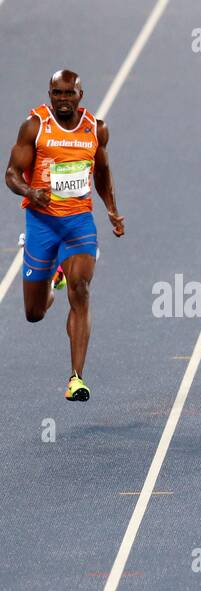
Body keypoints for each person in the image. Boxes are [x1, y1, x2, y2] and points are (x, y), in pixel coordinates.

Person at [5, 69, 124, 401]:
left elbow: (102, 172)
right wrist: (30, 190)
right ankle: (50, 282)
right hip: (41, 225)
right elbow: (11, 173)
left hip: (78, 224)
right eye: (56, 93)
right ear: (50, 94)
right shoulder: (35, 126)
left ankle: (76, 379)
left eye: (68, 93)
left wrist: (112, 210)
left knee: (82, 290)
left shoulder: (95, 130)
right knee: (34, 313)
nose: (62, 99)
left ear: (80, 96)